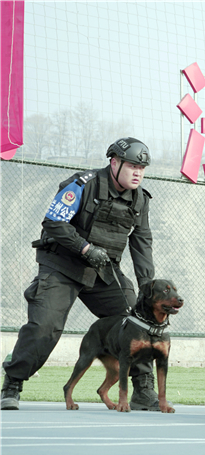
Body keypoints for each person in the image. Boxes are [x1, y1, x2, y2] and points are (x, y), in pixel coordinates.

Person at [1, 137, 159, 411]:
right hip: (62, 265)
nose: (138, 173)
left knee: (137, 320)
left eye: (142, 168)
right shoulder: (84, 184)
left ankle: (143, 389)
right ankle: (12, 384)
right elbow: (53, 222)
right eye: (132, 166)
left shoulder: (140, 200)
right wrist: (85, 248)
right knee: (45, 326)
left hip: (103, 271)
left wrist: (148, 289)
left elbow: (142, 245)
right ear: (114, 163)